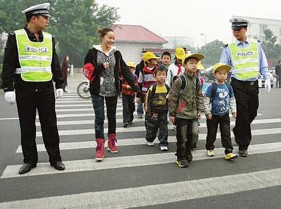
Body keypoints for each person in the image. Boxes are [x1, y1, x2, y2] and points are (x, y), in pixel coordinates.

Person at [1, 3, 65, 174]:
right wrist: (8, 88)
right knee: (27, 126)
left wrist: (60, 84)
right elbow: (8, 64)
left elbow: (54, 63)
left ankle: (55, 158)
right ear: (34, 18)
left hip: (46, 88)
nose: (48, 21)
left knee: (50, 125)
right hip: (25, 88)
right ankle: (29, 160)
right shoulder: (16, 36)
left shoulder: (50, 38)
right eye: (45, 18)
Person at [84, 28, 139, 162]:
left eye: (113, 38)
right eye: (109, 37)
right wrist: (101, 67)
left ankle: (112, 142)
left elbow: (125, 71)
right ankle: (99, 146)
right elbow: (87, 71)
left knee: (111, 117)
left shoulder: (116, 53)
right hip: (97, 90)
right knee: (99, 117)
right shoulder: (92, 52)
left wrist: (135, 87)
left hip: (113, 90)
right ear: (102, 37)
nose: (112, 41)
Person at [220, 18, 271, 157]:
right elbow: (222, 66)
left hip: (253, 84)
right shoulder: (229, 48)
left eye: (238, 30)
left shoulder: (256, 45)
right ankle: (243, 145)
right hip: (238, 84)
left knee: (252, 111)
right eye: (234, 30)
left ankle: (238, 130)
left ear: (245, 29)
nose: (236, 32)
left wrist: (267, 77)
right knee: (242, 112)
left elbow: (262, 63)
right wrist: (221, 82)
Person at [168, 53, 204, 168]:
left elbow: (199, 95)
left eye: (196, 63)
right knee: (182, 138)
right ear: (184, 65)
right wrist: (172, 113)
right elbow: (173, 97)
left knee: (193, 135)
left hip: (193, 114)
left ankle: (188, 150)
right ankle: (180, 157)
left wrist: (200, 109)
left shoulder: (197, 80)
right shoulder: (180, 80)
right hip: (181, 114)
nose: (194, 65)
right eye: (191, 63)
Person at [204, 63, 238, 160]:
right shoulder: (212, 87)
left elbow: (232, 99)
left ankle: (228, 151)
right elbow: (206, 100)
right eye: (220, 73)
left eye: (225, 73)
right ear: (215, 74)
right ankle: (210, 148)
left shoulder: (228, 86)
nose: (223, 75)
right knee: (212, 132)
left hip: (225, 114)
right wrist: (207, 112)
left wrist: (233, 110)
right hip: (213, 115)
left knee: (226, 133)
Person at [144, 66, 169, 151]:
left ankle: (163, 143)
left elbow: (170, 99)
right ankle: (150, 139)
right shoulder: (152, 88)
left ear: (166, 76)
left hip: (163, 112)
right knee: (151, 127)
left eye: (163, 75)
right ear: (155, 76)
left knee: (164, 128)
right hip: (153, 112)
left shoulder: (167, 88)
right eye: (159, 74)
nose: (161, 76)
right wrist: (148, 111)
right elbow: (147, 100)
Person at [136, 51, 158, 119]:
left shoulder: (158, 69)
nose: (155, 60)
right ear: (148, 61)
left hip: (156, 91)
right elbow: (139, 83)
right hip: (145, 92)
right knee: (147, 104)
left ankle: (154, 115)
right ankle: (147, 116)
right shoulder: (143, 71)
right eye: (153, 59)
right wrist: (138, 96)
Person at [122, 62, 138, 127]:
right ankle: (126, 121)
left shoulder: (135, 76)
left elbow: (137, 84)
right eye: (129, 68)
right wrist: (125, 86)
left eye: (131, 68)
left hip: (132, 94)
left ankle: (130, 119)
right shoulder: (123, 76)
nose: (130, 69)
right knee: (125, 107)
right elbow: (120, 84)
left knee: (132, 107)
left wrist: (134, 88)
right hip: (125, 93)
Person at [135, 50, 146, 118]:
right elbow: (136, 75)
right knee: (139, 98)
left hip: (147, 84)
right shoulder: (138, 66)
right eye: (142, 55)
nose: (143, 57)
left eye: (145, 55)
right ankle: (140, 112)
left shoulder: (150, 65)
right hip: (140, 84)